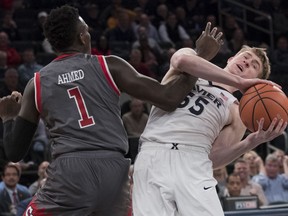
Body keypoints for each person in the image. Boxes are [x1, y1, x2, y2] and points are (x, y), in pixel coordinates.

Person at [0, 6, 242, 215]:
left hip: (70, 171)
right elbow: (169, 98)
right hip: (115, 172)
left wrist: (9, 116)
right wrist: (201, 58)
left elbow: (14, 151)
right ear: (84, 38)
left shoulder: (37, 83)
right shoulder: (110, 65)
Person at [132, 37, 287, 216]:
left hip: (195, 162)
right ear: (230, 59)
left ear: (256, 82)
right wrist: (239, 82)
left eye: (254, 65)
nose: (247, 62)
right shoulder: (191, 63)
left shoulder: (237, 111)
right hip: (154, 153)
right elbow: (181, 60)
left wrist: (250, 142)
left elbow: (213, 159)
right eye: (245, 56)